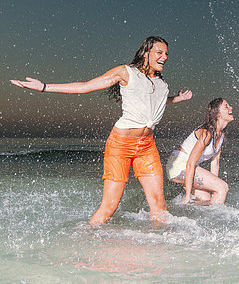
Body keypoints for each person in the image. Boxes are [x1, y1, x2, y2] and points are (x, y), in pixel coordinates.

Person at [10, 36, 192, 225]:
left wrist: (175, 100)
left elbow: (155, 103)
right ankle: (85, 241)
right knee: (109, 207)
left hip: (147, 146)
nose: (165, 57)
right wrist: (44, 87)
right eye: (159, 52)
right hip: (120, 145)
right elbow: (86, 86)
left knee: (159, 206)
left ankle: (163, 249)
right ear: (146, 53)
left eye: (166, 54)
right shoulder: (126, 72)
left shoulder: (161, 84)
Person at [166, 98, 234, 205]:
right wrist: (188, 195)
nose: (231, 108)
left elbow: (215, 163)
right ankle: (215, 219)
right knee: (223, 187)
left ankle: (179, 210)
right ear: (217, 114)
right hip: (178, 165)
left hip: (186, 167)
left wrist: (213, 190)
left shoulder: (221, 135)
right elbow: (190, 163)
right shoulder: (207, 133)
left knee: (206, 199)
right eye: (226, 106)